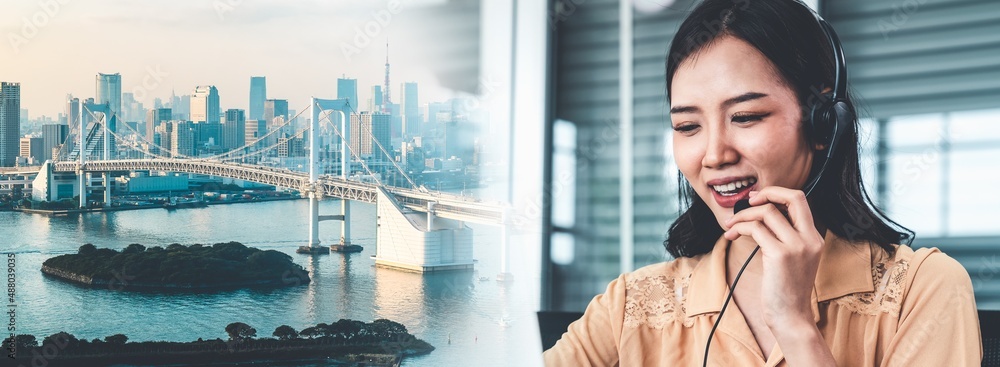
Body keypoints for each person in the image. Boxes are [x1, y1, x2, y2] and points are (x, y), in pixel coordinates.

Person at [542, 0, 982, 365]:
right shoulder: (630, 305)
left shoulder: (923, 290)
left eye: (746, 117)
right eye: (687, 127)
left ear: (822, 126)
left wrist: (793, 323)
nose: (714, 154)